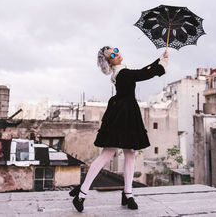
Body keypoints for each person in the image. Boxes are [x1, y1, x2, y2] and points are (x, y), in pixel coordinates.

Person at [69, 46, 168, 212]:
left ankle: (127, 194)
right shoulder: (122, 73)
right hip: (124, 114)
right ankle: (82, 193)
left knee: (130, 153)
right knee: (108, 154)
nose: (117, 54)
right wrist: (162, 65)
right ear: (109, 61)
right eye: (113, 54)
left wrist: (159, 60)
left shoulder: (122, 71)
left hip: (125, 113)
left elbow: (141, 71)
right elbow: (142, 74)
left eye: (116, 50)